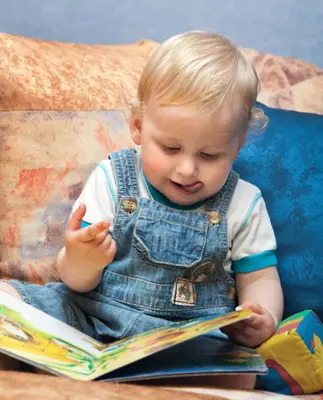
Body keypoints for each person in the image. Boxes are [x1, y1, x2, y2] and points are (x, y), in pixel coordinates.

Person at [0, 31, 283, 387]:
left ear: (238, 143)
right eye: (170, 148)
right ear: (137, 126)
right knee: (6, 301)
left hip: (183, 340)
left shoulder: (244, 203)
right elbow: (75, 279)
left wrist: (263, 315)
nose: (187, 169)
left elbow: (260, 277)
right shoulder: (113, 178)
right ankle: (52, 365)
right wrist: (81, 258)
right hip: (91, 316)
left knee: (241, 377)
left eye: (209, 155)